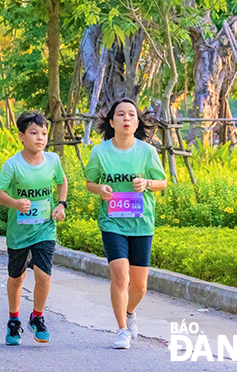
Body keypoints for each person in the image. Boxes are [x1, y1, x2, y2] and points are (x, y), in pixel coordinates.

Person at [84, 98, 167, 349]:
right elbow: (90, 183)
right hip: (112, 222)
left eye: (132, 115)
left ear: (137, 122)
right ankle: (122, 330)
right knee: (120, 275)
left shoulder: (147, 152)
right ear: (112, 121)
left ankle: (129, 312)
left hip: (141, 223)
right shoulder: (100, 152)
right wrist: (101, 189)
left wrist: (148, 184)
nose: (127, 118)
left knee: (139, 285)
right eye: (121, 114)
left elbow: (162, 182)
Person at [0, 112, 68, 345]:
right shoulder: (12, 165)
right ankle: (14, 320)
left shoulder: (53, 160)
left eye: (44, 133)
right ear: (21, 136)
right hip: (19, 232)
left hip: (45, 228)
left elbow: (61, 181)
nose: (40, 138)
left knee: (44, 275)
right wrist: (15, 203)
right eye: (34, 133)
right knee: (17, 277)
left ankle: (37, 317)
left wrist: (61, 204)